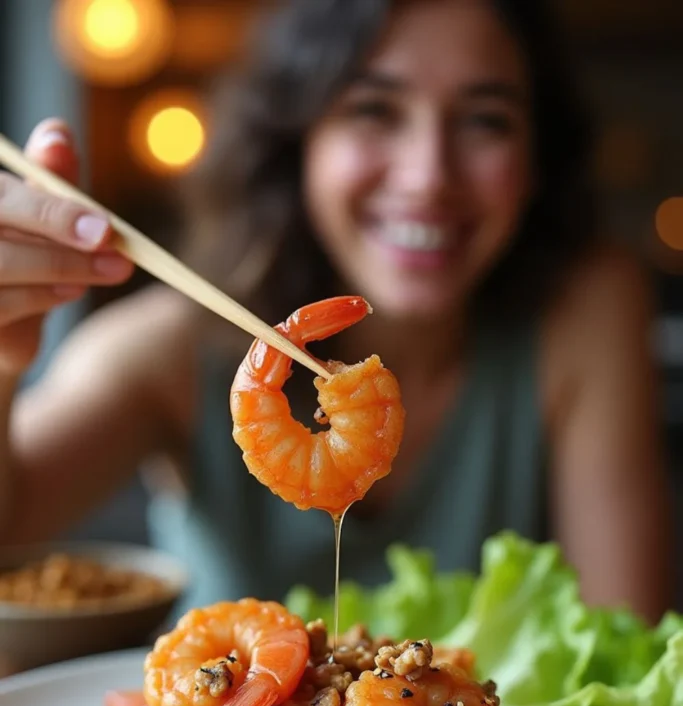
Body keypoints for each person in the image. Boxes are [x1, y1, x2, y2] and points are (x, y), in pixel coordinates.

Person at [0, 0, 673, 622]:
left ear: (536, 159)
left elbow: (621, 638)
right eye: (373, 111)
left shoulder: (583, 311)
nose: (427, 175)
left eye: (484, 120)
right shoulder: (168, 348)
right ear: (298, 143)